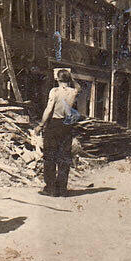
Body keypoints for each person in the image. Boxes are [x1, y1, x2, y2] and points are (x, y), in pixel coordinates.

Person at [35, 69, 81, 197]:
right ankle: (62, 189)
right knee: (64, 157)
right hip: (66, 125)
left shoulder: (54, 91)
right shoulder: (73, 92)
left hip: (54, 125)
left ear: (57, 79)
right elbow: (79, 87)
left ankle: (50, 188)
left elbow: (49, 109)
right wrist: (71, 78)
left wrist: (40, 124)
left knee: (50, 156)